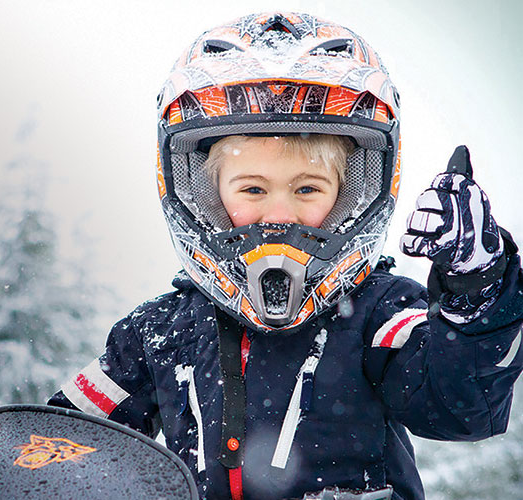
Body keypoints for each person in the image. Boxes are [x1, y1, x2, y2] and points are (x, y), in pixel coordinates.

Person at [48, 11, 523, 500]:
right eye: (253, 188)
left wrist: (476, 287)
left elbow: (463, 406)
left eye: (306, 188)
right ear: (205, 195)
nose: (278, 215)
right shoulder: (159, 332)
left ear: (350, 195)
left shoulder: (382, 313)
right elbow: (59, 443)